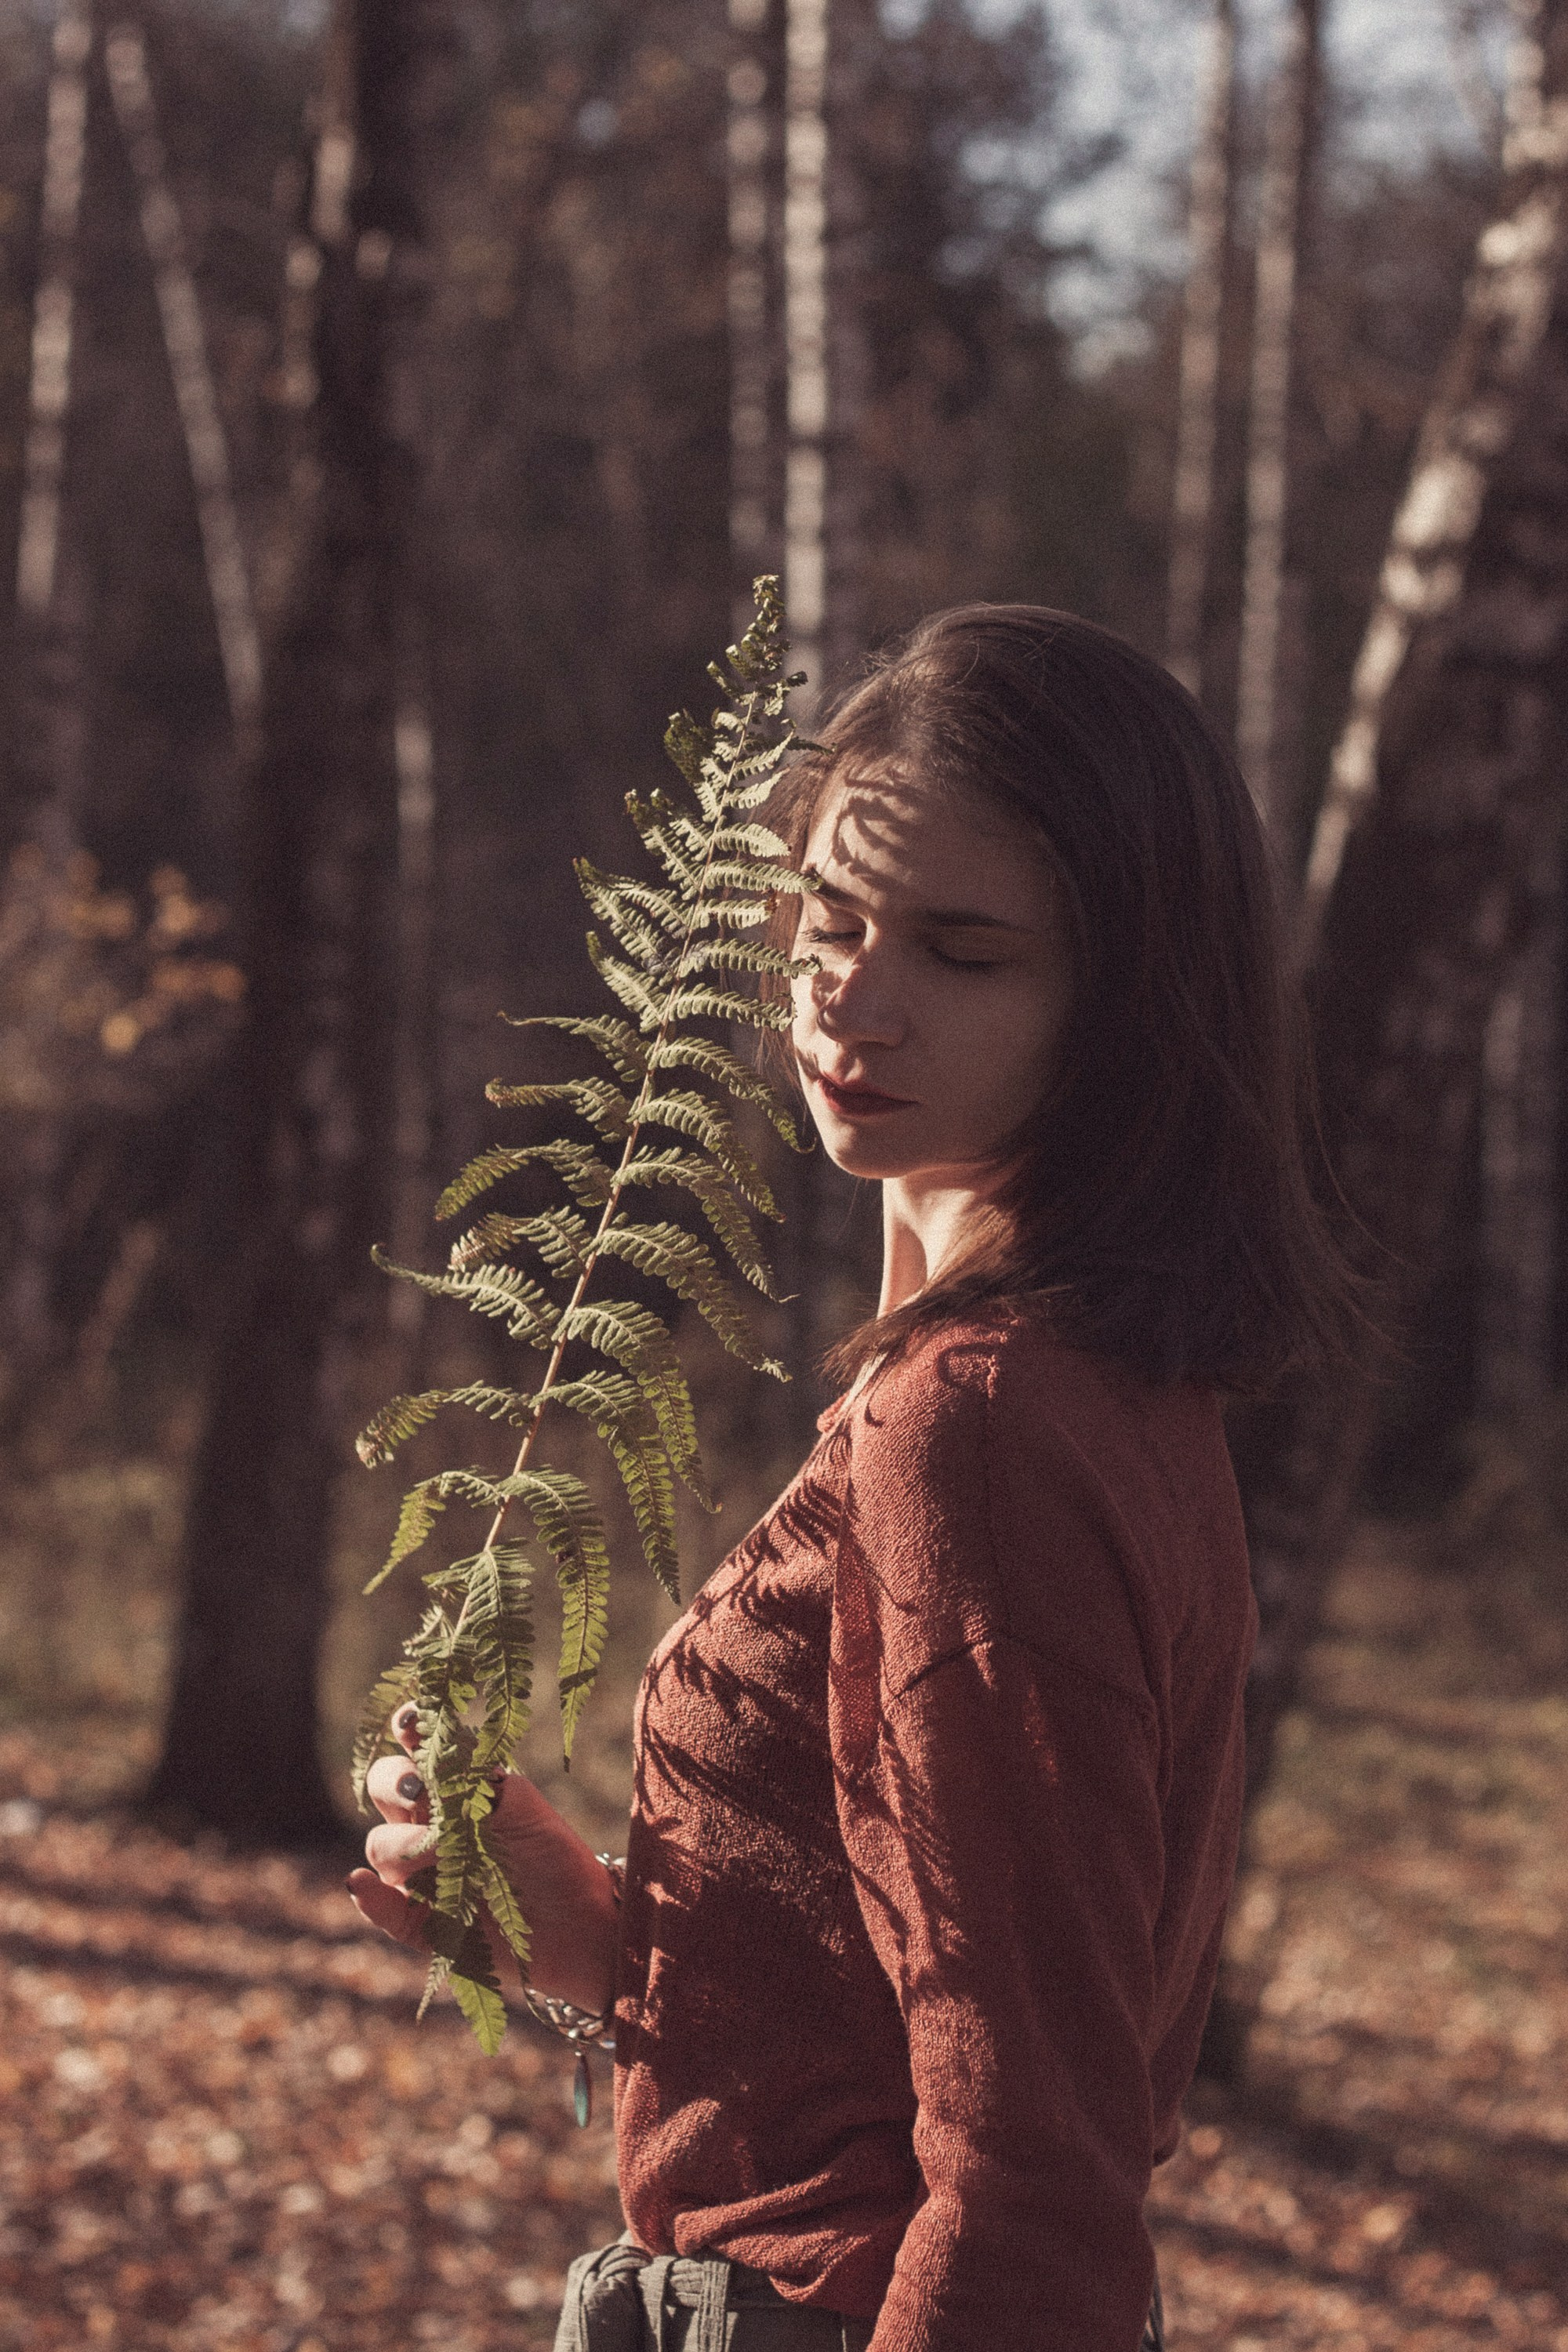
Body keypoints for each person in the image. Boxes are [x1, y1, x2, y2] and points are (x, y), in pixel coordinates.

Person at [349, 606, 1362, 2352]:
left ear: (1125, 1003)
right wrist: (603, 1947)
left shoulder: (984, 1424)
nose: (852, 1000)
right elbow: (925, 2010)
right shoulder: (1078, 1390)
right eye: (828, 923)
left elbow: (1039, 2178)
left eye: (963, 954)